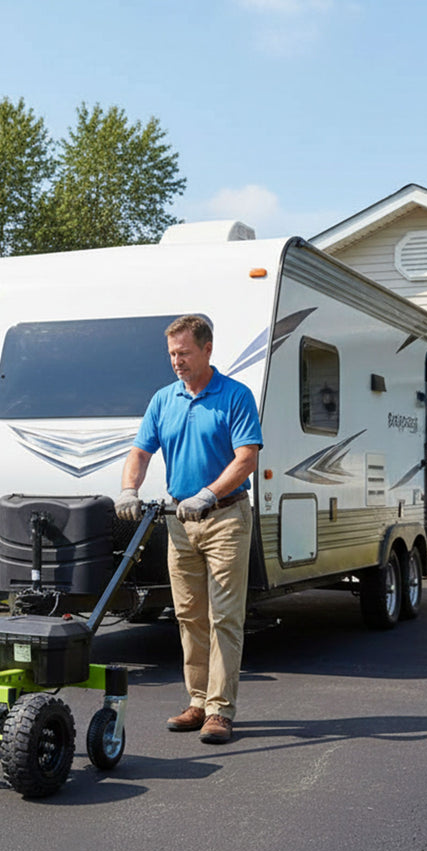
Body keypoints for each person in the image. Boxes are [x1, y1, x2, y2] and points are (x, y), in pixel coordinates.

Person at [116, 315, 262, 744]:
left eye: (184, 353)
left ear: (207, 349)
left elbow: (246, 458)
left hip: (225, 517)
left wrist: (210, 495)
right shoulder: (164, 399)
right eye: (172, 355)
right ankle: (197, 702)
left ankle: (220, 710)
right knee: (187, 616)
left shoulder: (235, 396)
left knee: (225, 617)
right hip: (180, 521)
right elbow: (140, 452)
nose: (177, 361)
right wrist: (128, 489)